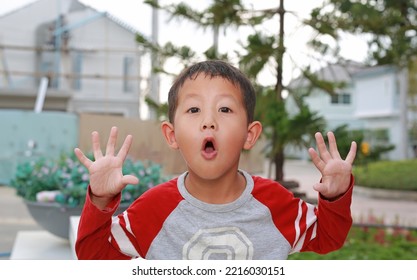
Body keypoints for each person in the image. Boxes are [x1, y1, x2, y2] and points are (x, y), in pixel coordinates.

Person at [74, 60, 357, 260]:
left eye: (224, 108)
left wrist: (336, 196)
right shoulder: (153, 210)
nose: (208, 121)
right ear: (171, 135)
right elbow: (93, 256)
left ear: (250, 135)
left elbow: (327, 237)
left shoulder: (276, 203)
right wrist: (99, 199)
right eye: (194, 109)